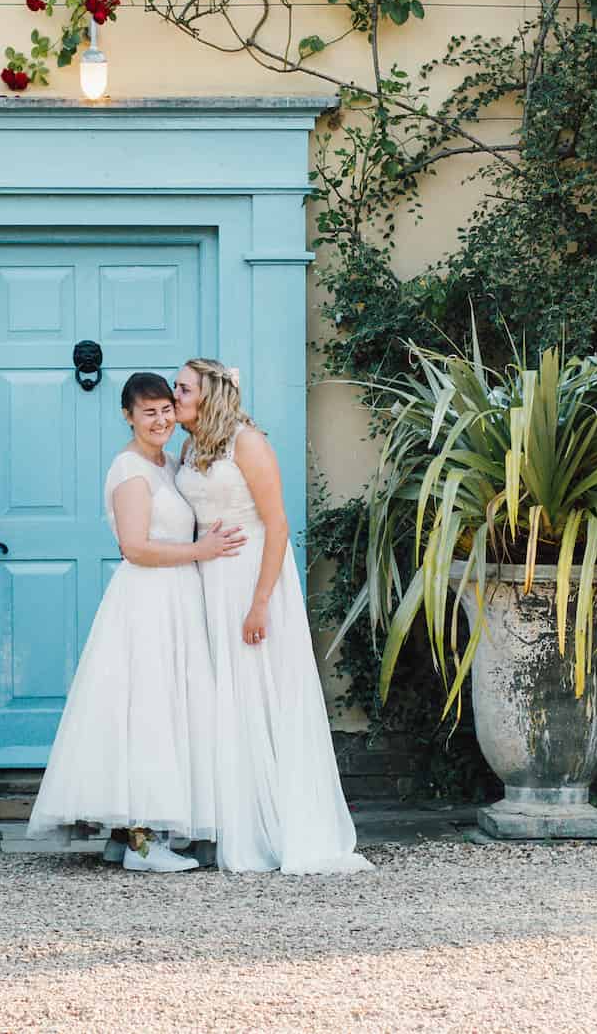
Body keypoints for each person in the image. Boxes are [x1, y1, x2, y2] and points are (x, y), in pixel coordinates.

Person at [25, 370, 246, 872]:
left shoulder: (170, 463)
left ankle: (134, 835)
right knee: (146, 710)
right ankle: (141, 844)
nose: (161, 419)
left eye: (167, 409)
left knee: (170, 710)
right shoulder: (130, 470)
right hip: (147, 599)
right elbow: (135, 547)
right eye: (148, 412)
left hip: (178, 597)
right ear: (128, 416)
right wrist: (201, 549)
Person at [174, 357, 371, 874]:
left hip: (250, 579)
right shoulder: (190, 445)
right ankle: (228, 819)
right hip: (209, 580)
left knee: (257, 692)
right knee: (220, 697)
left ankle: (276, 824)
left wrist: (260, 600)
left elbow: (278, 525)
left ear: (211, 393)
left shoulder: (248, 443)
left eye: (184, 387)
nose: (175, 396)